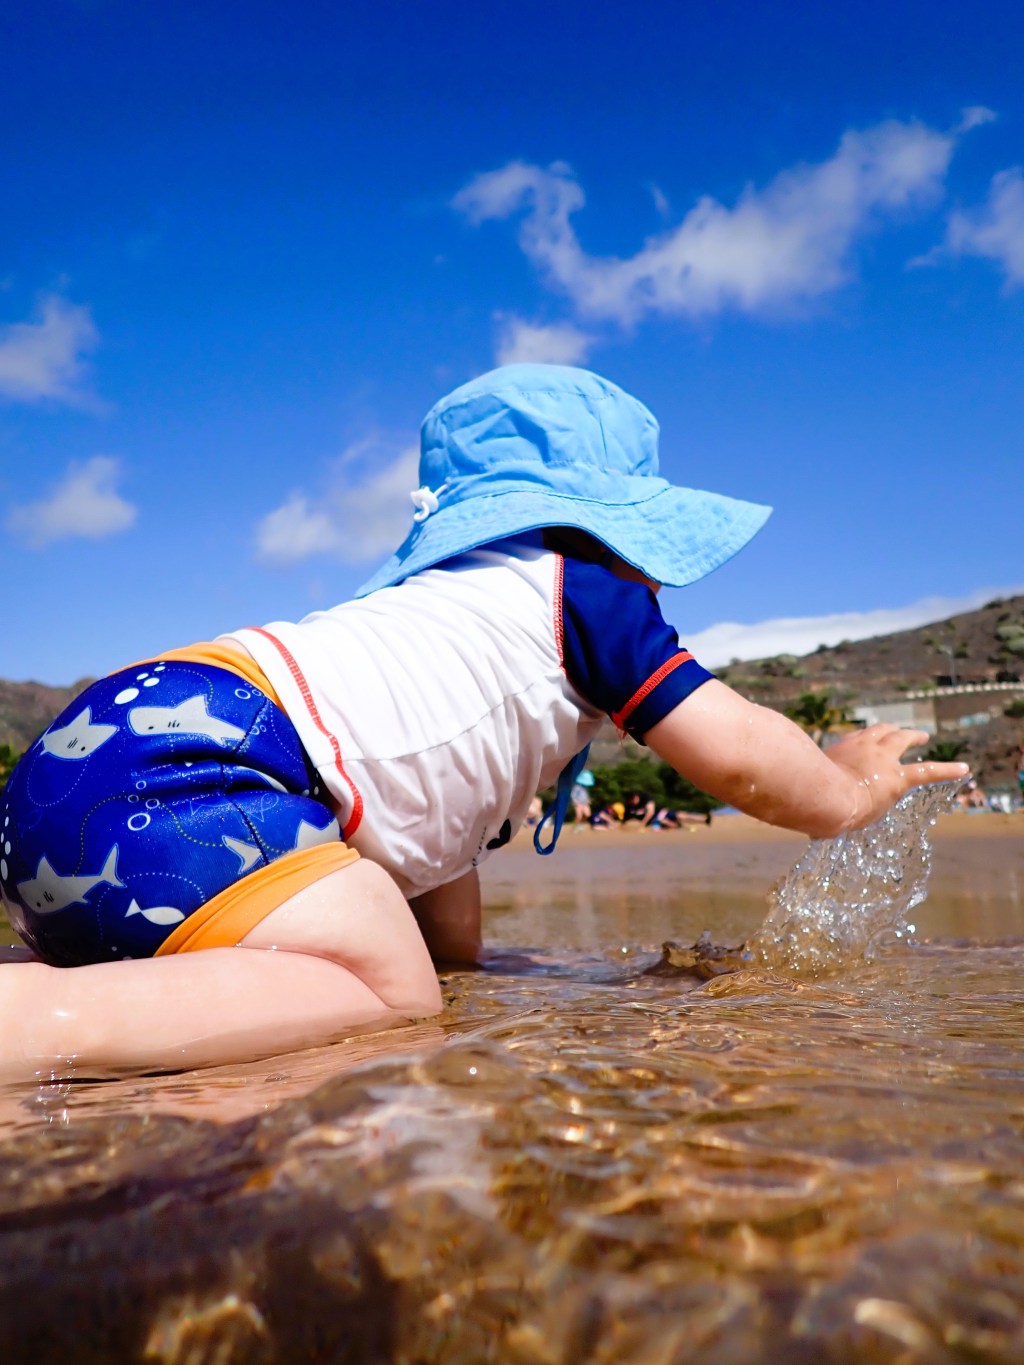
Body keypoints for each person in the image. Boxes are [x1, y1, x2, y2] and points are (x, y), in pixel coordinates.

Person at [0, 364, 969, 1079]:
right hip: (202, 766)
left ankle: (87, 975)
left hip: (109, 746)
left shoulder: (433, 634)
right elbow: (742, 756)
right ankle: (38, 1021)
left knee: (411, 957)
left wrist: (460, 962)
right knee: (390, 991)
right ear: (615, 532)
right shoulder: (584, 595)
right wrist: (842, 788)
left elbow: (435, 868)